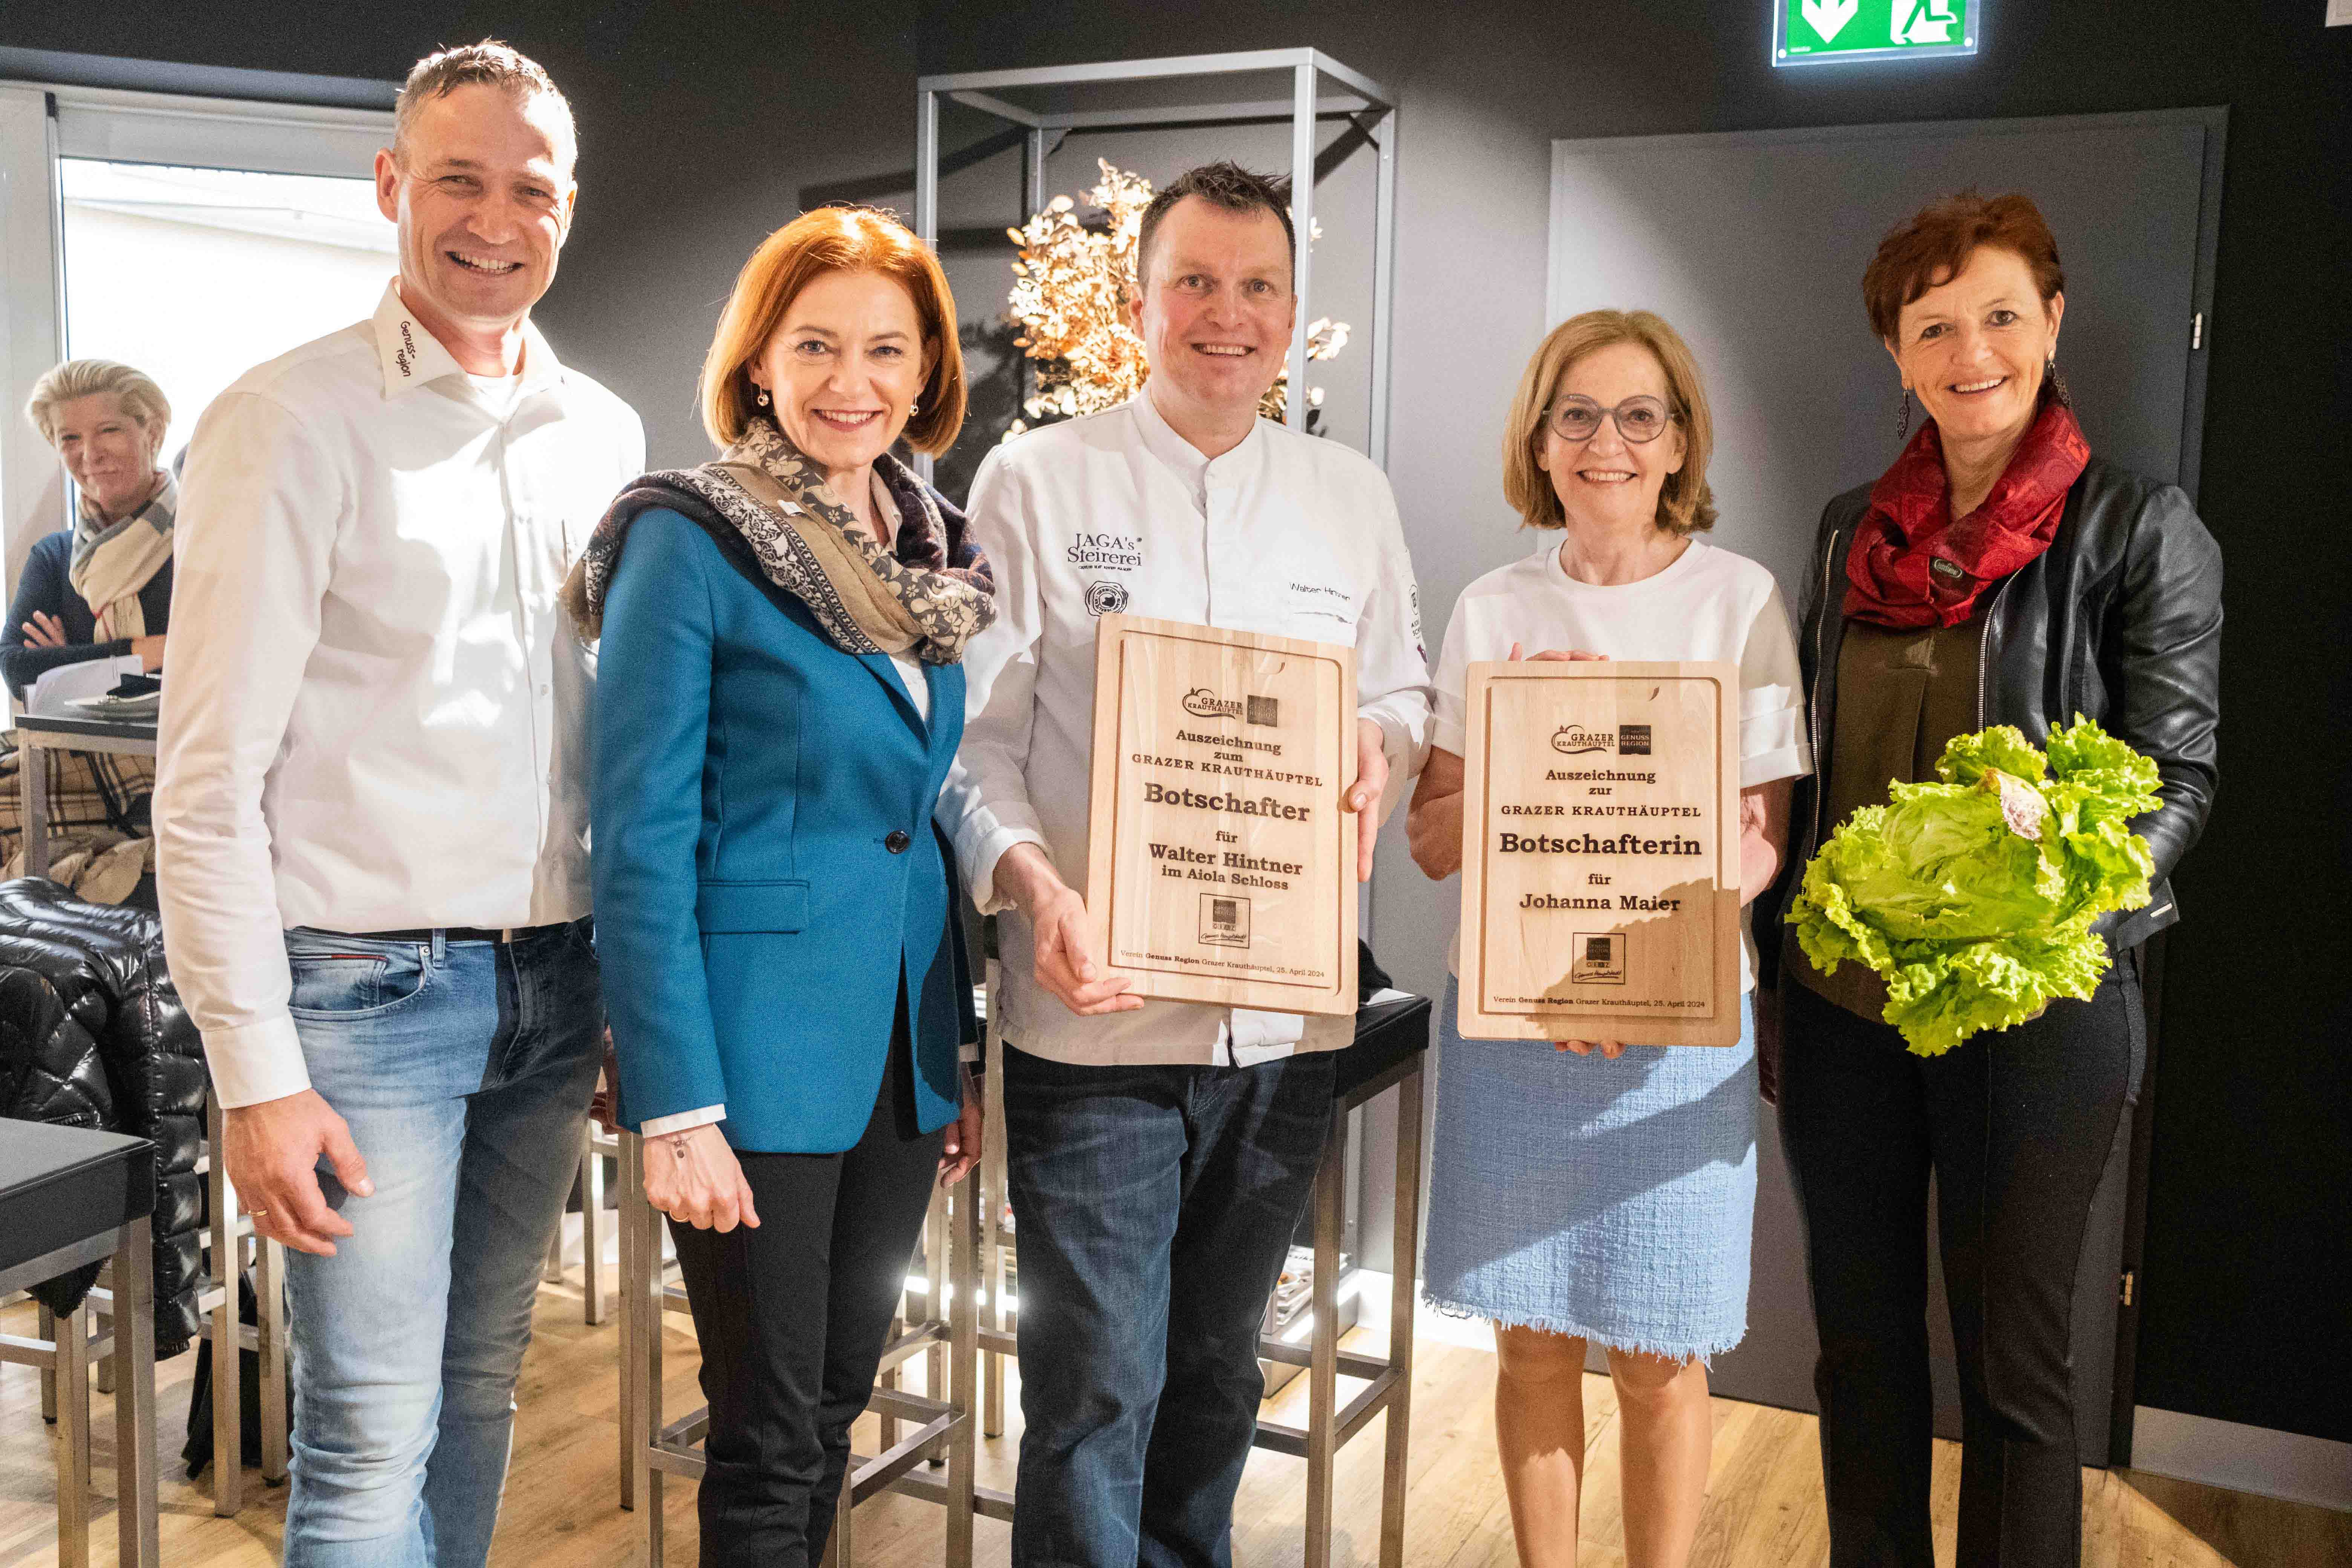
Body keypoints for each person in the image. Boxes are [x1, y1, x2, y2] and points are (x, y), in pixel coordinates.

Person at [153, 42, 643, 1568]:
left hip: (555, 985)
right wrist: (254, 1073)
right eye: (460, 179)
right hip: (365, 1000)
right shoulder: (285, 419)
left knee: (485, 1383)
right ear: (390, 187)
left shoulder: (607, 434)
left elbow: (599, 746)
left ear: (568, 207)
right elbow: (207, 781)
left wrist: (629, 995)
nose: (496, 220)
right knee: (367, 1431)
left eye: (533, 188)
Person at [941, 159, 1430, 1568]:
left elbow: (1399, 690)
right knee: (1096, 1389)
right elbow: (970, 750)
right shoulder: (1037, 480)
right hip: (1092, 1026)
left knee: (1218, 1375)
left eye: (1258, 286)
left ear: (1292, 310)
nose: (1229, 314)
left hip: (1279, 1031)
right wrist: (1035, 891)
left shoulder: (1350, 496)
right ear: (1141, 302)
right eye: (1196, 283)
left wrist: (1378, 751)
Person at [1760, 190, 2221, 1566]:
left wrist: (2048, 904)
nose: (1974, 352)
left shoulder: (2139, 528)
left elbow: (2180, 780)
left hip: (2031, 1015)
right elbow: (1797, 756)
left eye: (2002, 316)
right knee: (1859, 1352)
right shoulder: (1851, 533)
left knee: (2014, 1381)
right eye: (1935, 327)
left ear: (2054, 321)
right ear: (1898, 355)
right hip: (1842, 1012)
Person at [573, 205, 990, 1568]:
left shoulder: (928, 546)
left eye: (885, 348)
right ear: (758, 361)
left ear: (926, 369)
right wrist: (672, 1101)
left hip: (897, 1050)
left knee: (830, 1403)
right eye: (815, 345)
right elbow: (637, 840)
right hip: (749, 1058)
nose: (850, 382)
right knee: (764, 1429)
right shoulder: (690, 539)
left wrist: (956, 1055)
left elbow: (912, 822)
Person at [1407, 310, 1811, 1568]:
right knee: (1528, 1341)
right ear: (1539, 437)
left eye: (1641, 415)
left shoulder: (1739, 599)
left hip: (1675, 1027)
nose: (1608, 443)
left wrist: (1640, 974)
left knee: (1657, 1350)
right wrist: (1530, 745)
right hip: (1517, 1022)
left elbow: (1760, 843)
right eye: (1577, 414)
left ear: (1681, 438)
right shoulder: (1491, 608)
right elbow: (1429, 839)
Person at [5, 359, 175, 697]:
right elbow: (17, 670)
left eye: (108, 430)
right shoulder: (54, 557)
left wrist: (68, 668)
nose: (90, 453)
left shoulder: (199, 541)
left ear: (152, 434)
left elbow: (215, 663)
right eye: (70, 438)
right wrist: (158, 649)